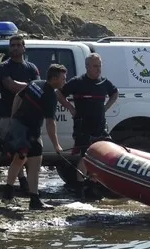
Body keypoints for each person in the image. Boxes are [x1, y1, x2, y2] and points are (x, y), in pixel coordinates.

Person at [1, 64, 66, 210]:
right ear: (54, 78)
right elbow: (50, 123)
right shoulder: (50, 95)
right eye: (63, 78)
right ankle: (34, 200)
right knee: (34, 164)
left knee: (18, 160)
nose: (64, 81)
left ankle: (7, 195)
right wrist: (56, 145)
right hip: (30, 131)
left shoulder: (35, 83)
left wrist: (14, 117)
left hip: (18, 126)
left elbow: (18, 97)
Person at [57, 53, 118, 200]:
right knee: (86, 157)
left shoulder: (105, 82)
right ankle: (79, 189)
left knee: (100, 157)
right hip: (83, 126)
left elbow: (115, 93)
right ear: (87, 67)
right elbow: (59, 93)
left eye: (99, 66)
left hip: (100, 126)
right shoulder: (77, 82)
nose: (98, 69)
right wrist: (70, 108)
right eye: (95, 66)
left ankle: (92, 187)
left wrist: (105, 107)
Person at [0, 34, 39, 191]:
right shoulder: (4, 67)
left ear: (24, 47)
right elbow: (11, 86)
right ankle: (21, 180)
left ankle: (26, 181)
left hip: (28, 116)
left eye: (18, 45)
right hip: (8, 114)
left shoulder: (31, 67)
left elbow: (38, 87)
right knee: (13, 149)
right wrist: (30, 86)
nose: (15, 48)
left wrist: (31, 86)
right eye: (12, 45)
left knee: (28, 149)